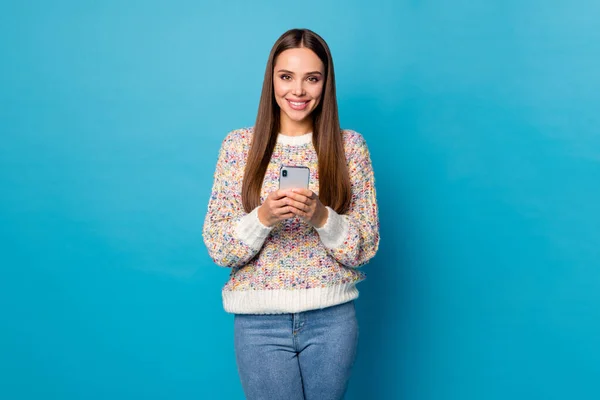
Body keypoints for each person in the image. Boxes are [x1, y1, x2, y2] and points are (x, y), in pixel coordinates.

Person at [202, 28, 380, 400]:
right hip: (258, 323)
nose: (297, 91)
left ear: (325, 84)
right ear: (271, 79)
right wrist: (263, 217)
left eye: (311, 79)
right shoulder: (239, 146)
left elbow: (363, 248)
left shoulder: (350, 147)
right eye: (286, 77)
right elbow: (219, 249)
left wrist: (321, 217)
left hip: (331, 318)